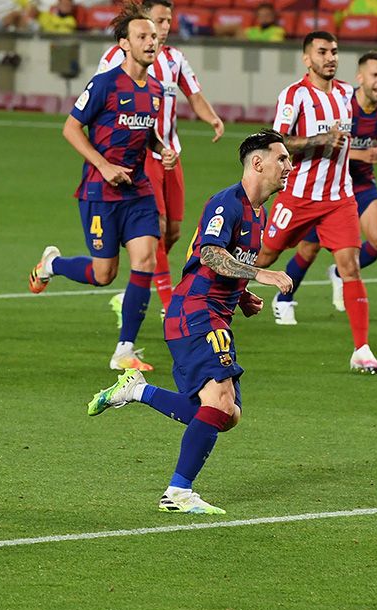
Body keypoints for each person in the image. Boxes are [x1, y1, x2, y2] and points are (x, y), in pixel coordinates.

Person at [86, 129, 295, 515]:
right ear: (258, 162)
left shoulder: (258, 212)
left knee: (226, 415)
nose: (289, 166)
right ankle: (177, 492)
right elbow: (212, 255)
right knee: (219, 401)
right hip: (195, 312)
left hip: (213, 311)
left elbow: (208, 265)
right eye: (282, 159)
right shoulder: (226, 204)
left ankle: (138, 391)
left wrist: (240, 294)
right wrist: (259, 274)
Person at [28, 5, 177, 371]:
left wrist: (162, 149)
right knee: (103, 274)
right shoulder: (105, 83)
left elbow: (145, 134)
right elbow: (71, 128)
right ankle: (53, 264)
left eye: (154, 37)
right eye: (142, 37)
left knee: (145, 259)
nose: (151, 42)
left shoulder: (156, 89)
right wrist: (104, 165)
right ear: (125, 44)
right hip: (100, 191)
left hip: (138, 190)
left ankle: (124, 348)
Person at [262, 31, 377, 374]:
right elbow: (277, 141)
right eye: (322, 52)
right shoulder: (295, 95)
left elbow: (372, 109)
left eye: (334, 51)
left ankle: (361, 349)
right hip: (298, 196)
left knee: (350, 266)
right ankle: (207, 300)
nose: (330, 57)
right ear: (307, 58)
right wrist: (320, 138)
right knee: (264, 256)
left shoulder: (347, 93)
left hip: (338, 199)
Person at [96, 0, 225, 321]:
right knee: (158, 229)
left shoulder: (175, 59)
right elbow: (100, 95)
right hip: (141, 157)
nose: (164, 28)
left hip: (170, 152)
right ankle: (170, 304)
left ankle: (131, 293)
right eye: (159, 21)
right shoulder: (117, 58)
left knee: (174, 232)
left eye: (168, 21)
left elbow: (194, 94)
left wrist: (212, 118)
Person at [271, 51, 377, 320]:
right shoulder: (341, 101)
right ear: (360, 78)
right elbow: (331, 142)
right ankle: (283, 298)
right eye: (375, 75)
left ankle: (341, 272)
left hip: (361, 183)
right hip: (324, 183)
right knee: (308, 248)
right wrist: (361, 154)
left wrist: (371, 156)